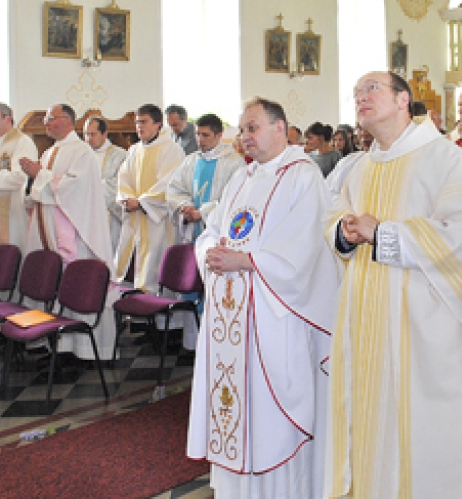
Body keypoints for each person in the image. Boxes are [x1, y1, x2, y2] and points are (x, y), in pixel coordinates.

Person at [325, 71, 462, 499]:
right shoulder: (360, 167)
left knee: (420, 437)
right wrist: (344, 231)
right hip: (366, 323)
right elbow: (335, 216)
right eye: (356, 92)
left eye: (372, 89)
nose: (361, 97)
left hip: (423, 330)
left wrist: (383, 234)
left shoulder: (445, 158)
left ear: (404, 100)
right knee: (368, 425)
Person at [187, 97, 338, 499]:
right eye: (242, 129)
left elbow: (305, 250)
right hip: (231, 317)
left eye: (252, 128)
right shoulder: (242, 178)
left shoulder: (303, 177)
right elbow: (212, 230)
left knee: (270, 415)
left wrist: (247, 261)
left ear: (280, 128)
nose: (245, 137)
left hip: (276, 318)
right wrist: (210, 252)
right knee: (234, 407)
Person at [21, 104, 114, 360]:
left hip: (75, 232)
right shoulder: (49, 151)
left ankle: (83, 350)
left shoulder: (81, 151)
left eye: (51, 118)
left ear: (68, 121)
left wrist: (40, 174)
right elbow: (40, 191)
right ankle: (56, 346)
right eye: (46, 119)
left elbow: (74, 189)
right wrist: (33, 179)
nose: (46, 123)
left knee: (76, 285)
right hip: (48, 230)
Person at [114, 104, 186, 293]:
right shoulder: (134, 150)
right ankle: (130, 306)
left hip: (158, 220)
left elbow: (170, 183)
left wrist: (141, 202)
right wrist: (127, 198)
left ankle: (156, 309)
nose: (139, 126)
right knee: (128, 268)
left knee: (154, 269)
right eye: (137, 122)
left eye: (144, 122)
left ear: (158, 124)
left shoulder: (171, 150)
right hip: (135, 218)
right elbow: (123, 178)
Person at [167, 112, 245, 244]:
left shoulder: (235, 163)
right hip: (192, 232)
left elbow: (235, 198)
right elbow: (175, 189)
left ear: (219, 135)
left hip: (219, 234)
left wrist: (202, 213)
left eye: (205, 135)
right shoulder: (190, 161)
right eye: (197, 134)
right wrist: (186, 206)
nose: (200, 139)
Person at [0, 102, 38, 252]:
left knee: (9, 257)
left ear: (7, 118)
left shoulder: (22, 142)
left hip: (11, 216)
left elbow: (19, 178)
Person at [84, 116, 128, 250]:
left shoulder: (120, 155)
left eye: (93, 134)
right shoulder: (81, 155)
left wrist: (90, 188)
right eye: (86, 134)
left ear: (104, 134)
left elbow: (120, 185)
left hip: (110, 216)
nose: (88, 138)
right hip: (86, 215)